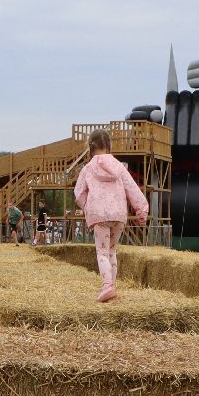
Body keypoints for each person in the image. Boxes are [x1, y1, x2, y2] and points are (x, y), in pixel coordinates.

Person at [73, 129, 149, 303]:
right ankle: (112, 286)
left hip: (99, 215)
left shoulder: (88, 168)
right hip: (119, 214)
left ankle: (107, 286)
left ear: (91, 146)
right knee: (112, 251)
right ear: (108, 145)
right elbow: (132, 189)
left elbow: (78, 193)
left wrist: (87, 206)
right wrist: (141, 210)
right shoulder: (119, 167)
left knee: (102, 253)